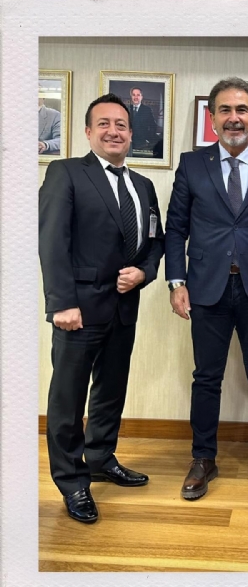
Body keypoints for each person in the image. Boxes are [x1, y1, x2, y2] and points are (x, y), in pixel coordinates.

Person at [165, 77, 248, 503]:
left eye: (242, 110)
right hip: (207, 289)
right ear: (212, 118)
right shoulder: (191, 165)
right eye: (225, 110)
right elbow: (175, 230)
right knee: (206, 378)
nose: (234, 118)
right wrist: (176, 281)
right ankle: (203, 458)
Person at [39, 93, 164, 523]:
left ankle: (100, 458)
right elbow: (52, 241)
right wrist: (61, 304)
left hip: (124, 308)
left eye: (121, 125)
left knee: (111, 391)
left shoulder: (143, 186)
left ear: (131, 134)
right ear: (88, 131)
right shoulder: (66, 173)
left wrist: (144, 273)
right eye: (104, 124)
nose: (114, 131)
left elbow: (156, 242)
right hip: (78, 311)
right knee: (68, 399)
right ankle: (72, 481)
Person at [129, 86, 158, 152]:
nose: (136, 97)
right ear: (131, 97)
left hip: (142, 144)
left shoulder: (147, 110)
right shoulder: (127, 109)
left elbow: (153, 126)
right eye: (133, 95)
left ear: (141, 97)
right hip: (129, 143)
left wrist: (148, 138)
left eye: (138, 95)